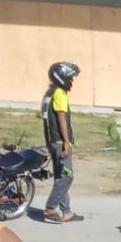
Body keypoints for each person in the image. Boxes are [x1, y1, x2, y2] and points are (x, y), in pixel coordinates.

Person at [41, 61, 84, 224]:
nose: (72, 81)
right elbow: (60, 117)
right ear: (62, 77)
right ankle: (50, 208)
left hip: (51, 140)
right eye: (70, 78)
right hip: (59, 140)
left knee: (61, 176)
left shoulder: (50, 92)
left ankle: (67, 212)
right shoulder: (59, 93)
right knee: (67, 176)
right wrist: (66, 141)